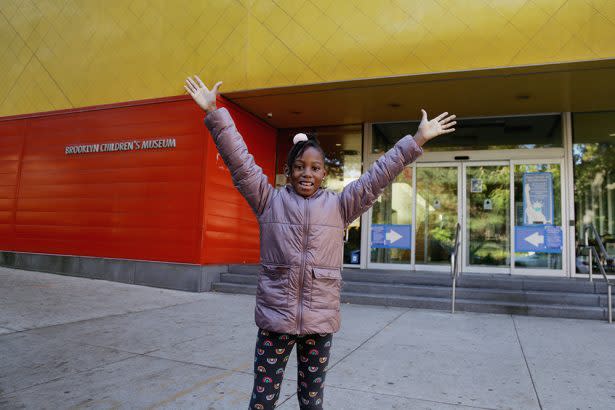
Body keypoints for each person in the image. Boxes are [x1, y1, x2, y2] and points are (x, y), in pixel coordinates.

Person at [184, 75, 456, 410]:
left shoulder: (341, 206)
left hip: (319, 324)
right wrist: (214, 111)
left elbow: (378, 176)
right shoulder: (268, 200)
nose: (306, 173)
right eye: (299, 166)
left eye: (314, 167)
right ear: (288, 170)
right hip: (275, 321)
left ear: (324, 173)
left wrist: (416, 139)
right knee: (262, 402)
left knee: (312, 402)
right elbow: (239, 161)